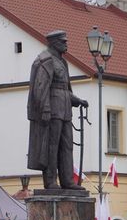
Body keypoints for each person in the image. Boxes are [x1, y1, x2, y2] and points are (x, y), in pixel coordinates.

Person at [27, 30, 88, 190]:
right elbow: (40, 88)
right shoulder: (45, 60)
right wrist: (45, 109)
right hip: (52, 111)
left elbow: (64, 88)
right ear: (54, 43)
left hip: (65, 110)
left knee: (67, 146)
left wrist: (77, 100)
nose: (66, 44)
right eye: (63, 42)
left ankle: (67, 181)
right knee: (51, 147)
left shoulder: (62, 62)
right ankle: (51, 181)